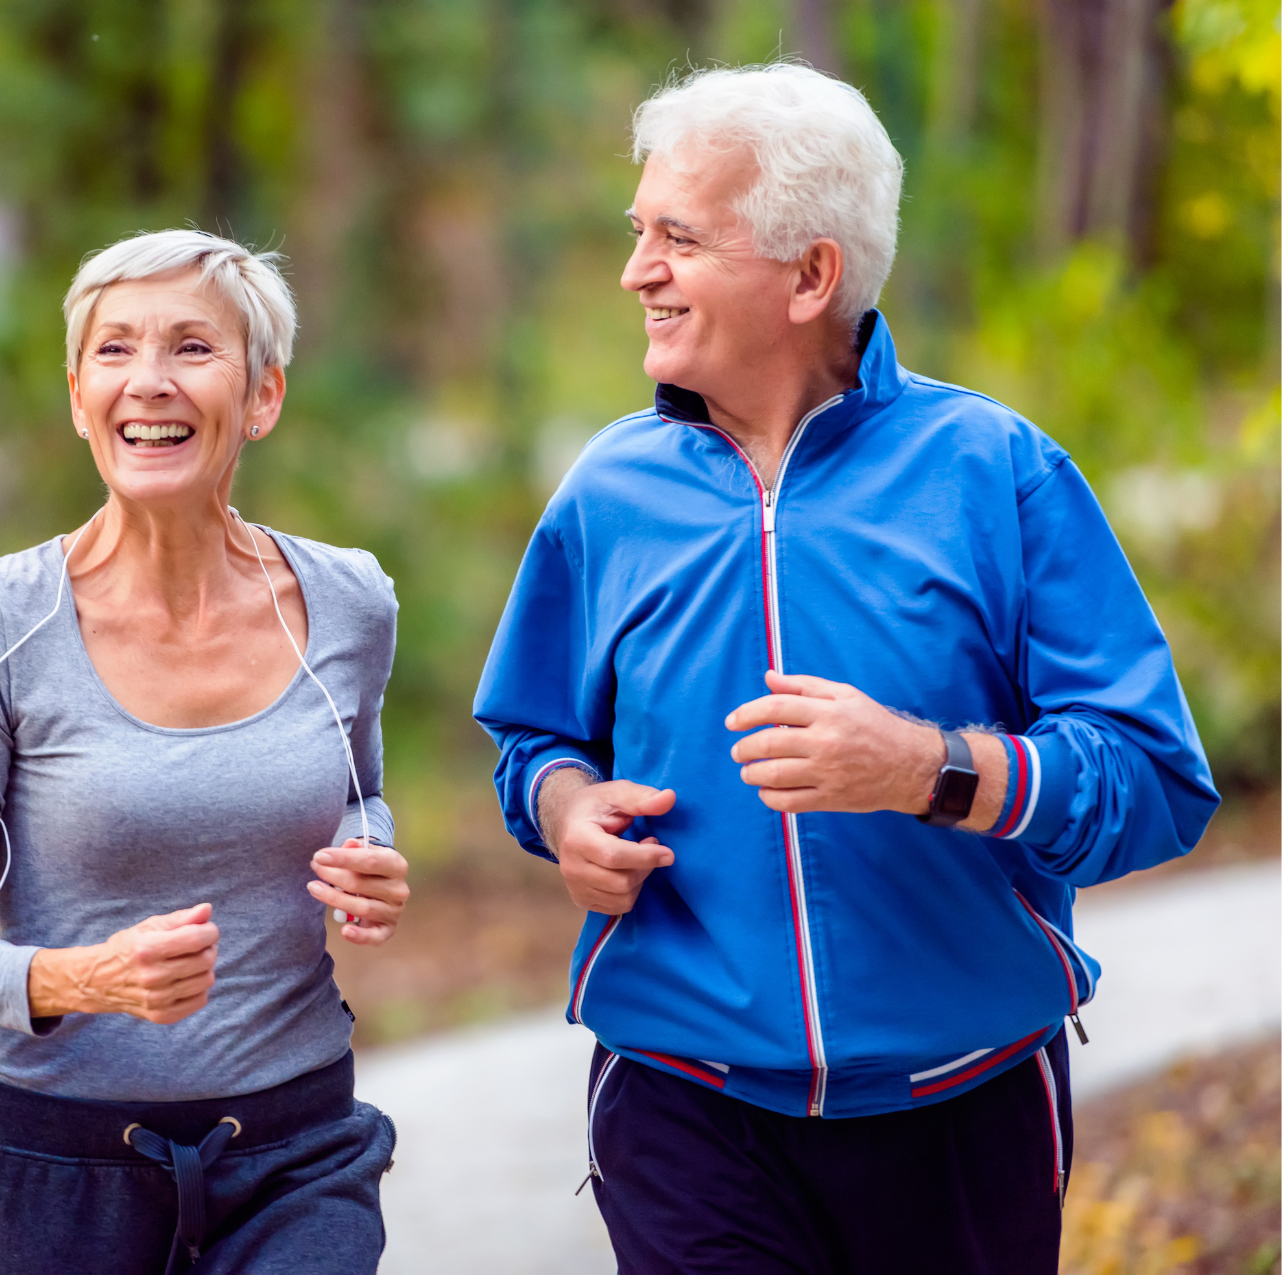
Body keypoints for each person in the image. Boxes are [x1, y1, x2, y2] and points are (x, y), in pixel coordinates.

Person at [474, 63, 1219, 1275]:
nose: (637, 271)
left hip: (964, 1108)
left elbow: (1154, 784)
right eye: (637, 232)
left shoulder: (996, 472)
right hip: (682, 1099)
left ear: (810, 275)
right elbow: (534, 741)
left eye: (678, 237)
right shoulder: (607, 494)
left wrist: (931, 768)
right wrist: (566, 813)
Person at [0, 230, 408, 1274]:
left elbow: (361, 792)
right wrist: (88, 978)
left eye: (193, 348)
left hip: (298, 1155)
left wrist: (369, 854)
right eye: (115, 351)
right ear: (79, 398)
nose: (149, 382)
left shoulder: (348, 601)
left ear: (261, 398)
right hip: (58, 1174)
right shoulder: (2, 618)